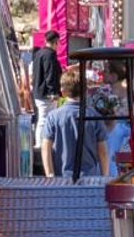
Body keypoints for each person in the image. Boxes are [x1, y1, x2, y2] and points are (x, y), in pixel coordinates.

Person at [41, 67, 110, 181]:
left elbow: (45, 148)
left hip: (61, 179)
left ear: (62, 91)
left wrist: (50, 175)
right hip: (89, 179)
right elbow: (102, 152)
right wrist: (105, 178)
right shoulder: (95, 116)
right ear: (86, 90)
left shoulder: (53, 117)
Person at [29, 30, 62, 169]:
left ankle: (40, 143)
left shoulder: (39, 53)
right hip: (46, 94)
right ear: (55, 42)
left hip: (38, 92)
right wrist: (53, 91)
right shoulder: (50, 54)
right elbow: (50, 74)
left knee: (42, 119)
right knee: (46, 119)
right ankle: (41, 144)